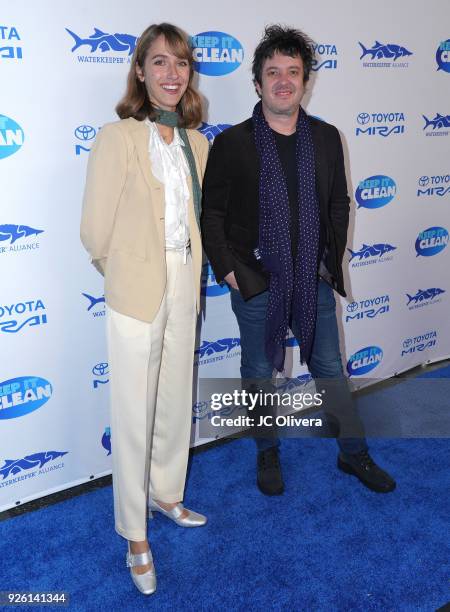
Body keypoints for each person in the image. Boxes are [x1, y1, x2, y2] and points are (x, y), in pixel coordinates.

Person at [201, 25, 396, 497]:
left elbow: (338, 203)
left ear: (305, 80)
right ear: (257, 82)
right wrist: (228, 268)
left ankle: (353, 453)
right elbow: (212, 213)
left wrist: (332, 254)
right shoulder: (232, 144)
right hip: (254, 277)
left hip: (312, 275)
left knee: (329, 366)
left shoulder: (327, 138)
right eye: (273, 72)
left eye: (293, 71)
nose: (283, 81)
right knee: (257, 371)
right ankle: (266, 451)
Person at [80, 23, 209, 596]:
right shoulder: (117, 136)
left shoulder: (196, 142)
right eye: (159, 63)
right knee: (133, 413)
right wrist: (126, 272)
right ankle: (135, 535)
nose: (171, 74)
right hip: (136, 284)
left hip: (186, 280)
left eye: (180, 64)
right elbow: (94, 231)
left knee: (175, 395)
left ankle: (167, 494)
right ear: (139, 71)